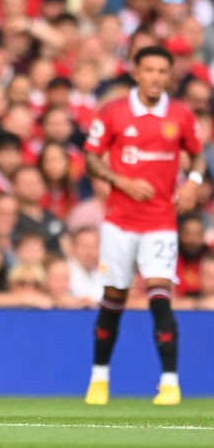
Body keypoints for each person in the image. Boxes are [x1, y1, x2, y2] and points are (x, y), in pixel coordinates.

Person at [83, 45, 204, 407]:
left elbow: (197, 152)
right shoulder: (115, 112)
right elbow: (92, 157)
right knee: (115, 296)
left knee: (159, 293)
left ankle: (169, 383)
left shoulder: (180, 115)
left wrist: (195, 180)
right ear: (136, 72)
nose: (155, 77)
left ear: (169, 75)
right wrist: (121, 181)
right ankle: (99, 378)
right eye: (149, 70)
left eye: (162, 71)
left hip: (160, 222)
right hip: (119, 222)